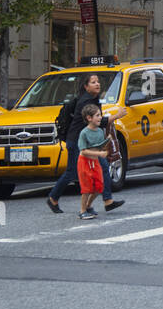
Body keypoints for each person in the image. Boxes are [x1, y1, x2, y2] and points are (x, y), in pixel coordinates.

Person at [46, 73, 128, 214]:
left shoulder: (93, 99)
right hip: (77, 142)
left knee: (101, 168)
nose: (97, 84)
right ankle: (55, 198)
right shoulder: (86, 102)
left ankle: (106, 201)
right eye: (93, 82)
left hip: (86, 142)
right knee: (72, 173)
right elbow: (97, 121)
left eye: (98, 81)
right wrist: (116, 116)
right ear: (86, 86)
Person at [75, 104, 109, 220]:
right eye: (97, 115)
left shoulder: (100, 131)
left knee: (99, 186)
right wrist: (99, 154)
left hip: (95, 162)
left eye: (100, 115)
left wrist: (107, 143)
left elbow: (99, 146)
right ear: (89, 118)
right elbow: (83, 151)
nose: (100, 118)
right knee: (86, 188)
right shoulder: (84, 133)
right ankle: (82, 210)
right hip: (84, 162)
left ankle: (89, 205)